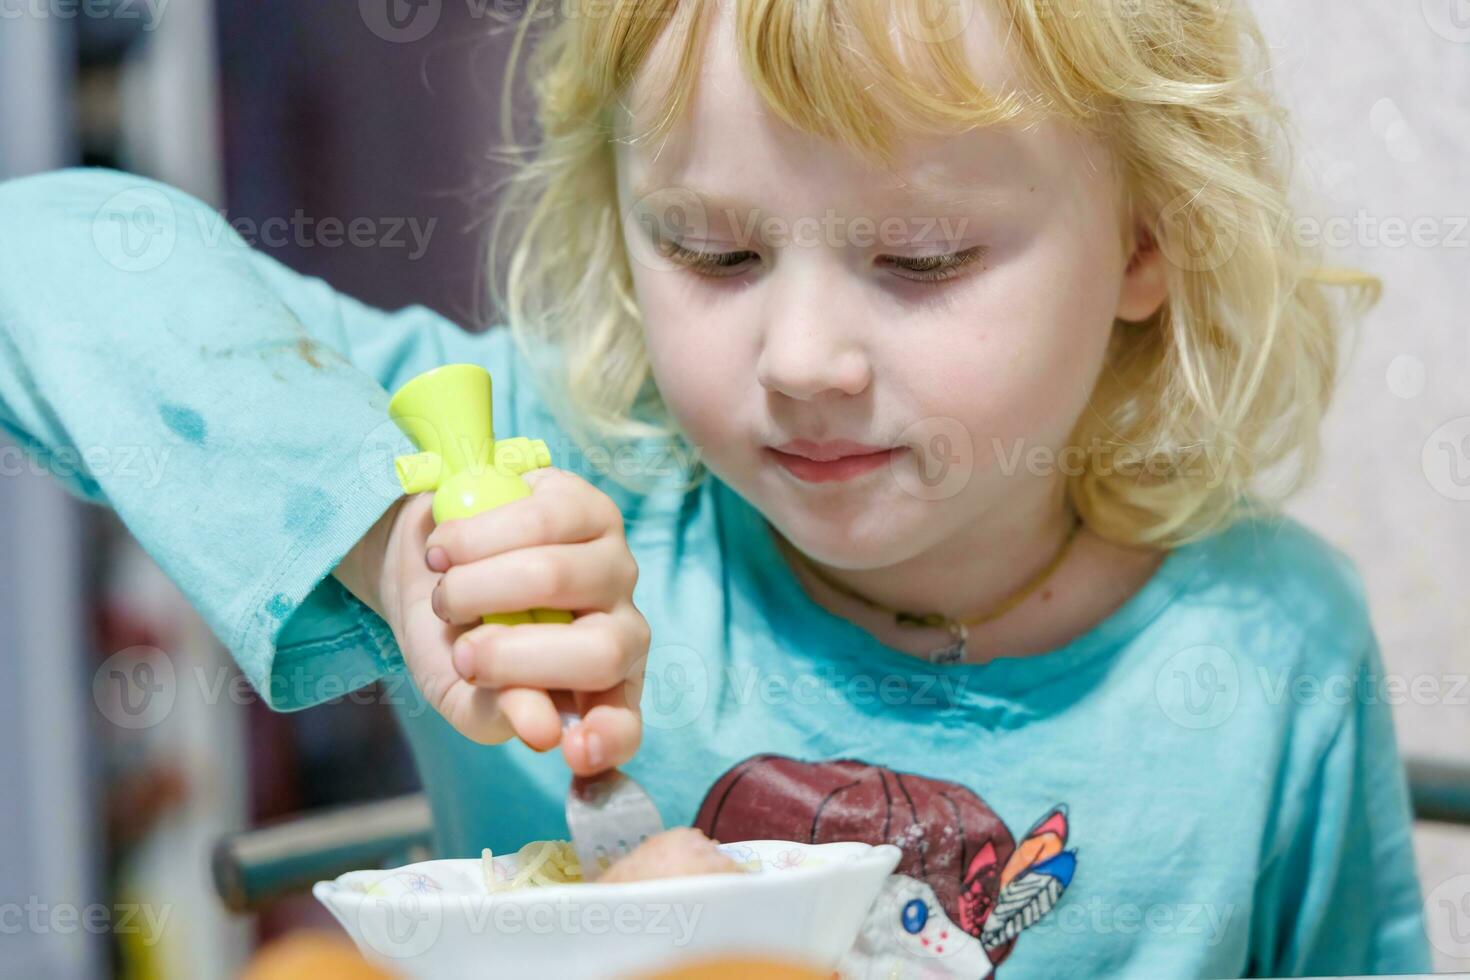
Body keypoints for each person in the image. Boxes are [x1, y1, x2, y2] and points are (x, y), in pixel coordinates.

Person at [0, 0, 1431, 975]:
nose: (800, 358)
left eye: (922, 258)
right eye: (711, 252)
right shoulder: (527, 494)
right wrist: (394, 538)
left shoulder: (1270, 654)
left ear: (1144, 239)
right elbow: (38, 260)